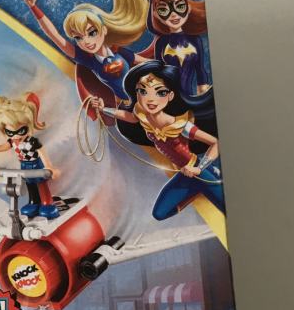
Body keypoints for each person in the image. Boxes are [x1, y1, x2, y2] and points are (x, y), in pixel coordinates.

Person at [88, 61, 224, 220]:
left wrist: (199, 169)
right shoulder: (142, 115)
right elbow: (130, 117)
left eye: (160, 92)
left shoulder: (180, 125)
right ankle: (196, 191)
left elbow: (215, 143)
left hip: (200, 171)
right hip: (185, 174)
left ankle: (205, 183)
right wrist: (103, 109)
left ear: (170, 96)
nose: (150, 99)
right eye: (143, 91)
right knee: (159, 214)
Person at [22, 0, 148, 107]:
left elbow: (147, 63)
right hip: (128, 106)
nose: (86, 41)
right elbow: (54, 35)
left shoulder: (119, 51)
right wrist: (33, 7)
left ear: (104, 30)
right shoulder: (89, 61)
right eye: (78, 38)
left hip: (148, 96)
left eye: (92, 33)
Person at [0, 92, 58, 219]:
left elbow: (41, 151)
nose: (16, 136)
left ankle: (47, 203)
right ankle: (34, 202)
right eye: (10, 132)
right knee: (30, 184)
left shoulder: (32, 141)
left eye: (21, 131)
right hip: (24, 165)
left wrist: (49, 166)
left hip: (36, 165)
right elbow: (4, 147)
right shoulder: (12, 142)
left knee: (41, 183)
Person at [144, 0, 211, 96]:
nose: (173, 14)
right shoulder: (161, 42)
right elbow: (158, 72)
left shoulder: (195, 40)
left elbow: (200, 71)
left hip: (190, 98)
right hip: (167, 98)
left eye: (179, 6)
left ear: (188, 7)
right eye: (163, 9)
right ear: (155, 14)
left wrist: (203, 95)